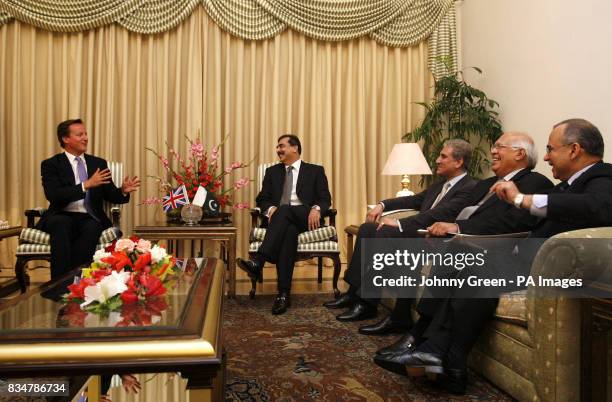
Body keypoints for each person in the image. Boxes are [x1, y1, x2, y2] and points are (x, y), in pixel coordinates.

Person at [373, 132, 554, 390]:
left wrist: (457, 228)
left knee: (456, 254)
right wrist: (433, 227)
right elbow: (450, 210)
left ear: (520, 154)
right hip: (467, 245)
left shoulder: (535, 182)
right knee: (448, 251)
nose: (492, 151)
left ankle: (421, 339)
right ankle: (433, 350)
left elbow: (514, 222)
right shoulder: (485, 184)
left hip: (498, 253)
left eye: (499, 147)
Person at [323, 140, 477, 331]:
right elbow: (413, 200)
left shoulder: (470, 187)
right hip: (419, 232)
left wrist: (399, 223)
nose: (437, 160)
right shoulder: (440, 185)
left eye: (443, 156)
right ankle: (354, 292)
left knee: (385, 232)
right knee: (367, 228)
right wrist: (383, 205)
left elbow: (439, 214)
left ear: (458, 161)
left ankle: (369, 303)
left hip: (437, 240)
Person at [237, 134, 331, 315]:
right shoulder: (272, 172)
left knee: (286, 210)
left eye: (282, 146)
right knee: (288, 231)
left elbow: (325, 198)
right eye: (277, 147)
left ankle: (259, 261)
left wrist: (317, 209)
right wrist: (271, 209)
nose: (278, 150)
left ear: (295, 148)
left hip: (306, 217)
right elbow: (262, 199)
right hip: (281, 222)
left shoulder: (315, 171)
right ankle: (283, 294)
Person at [38, 119, 140, 279]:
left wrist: (123, 190)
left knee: (92, 226)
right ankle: (59, 284)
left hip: (89, 217)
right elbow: (54, 195)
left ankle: (79, 280)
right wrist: (86, 185)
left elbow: (111, 194)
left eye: (85, 134)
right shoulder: (51, 164)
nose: (85, 138)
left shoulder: (98, 163)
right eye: (80, 134)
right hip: (61, 214)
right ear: (66, 139)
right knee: (61, 224)